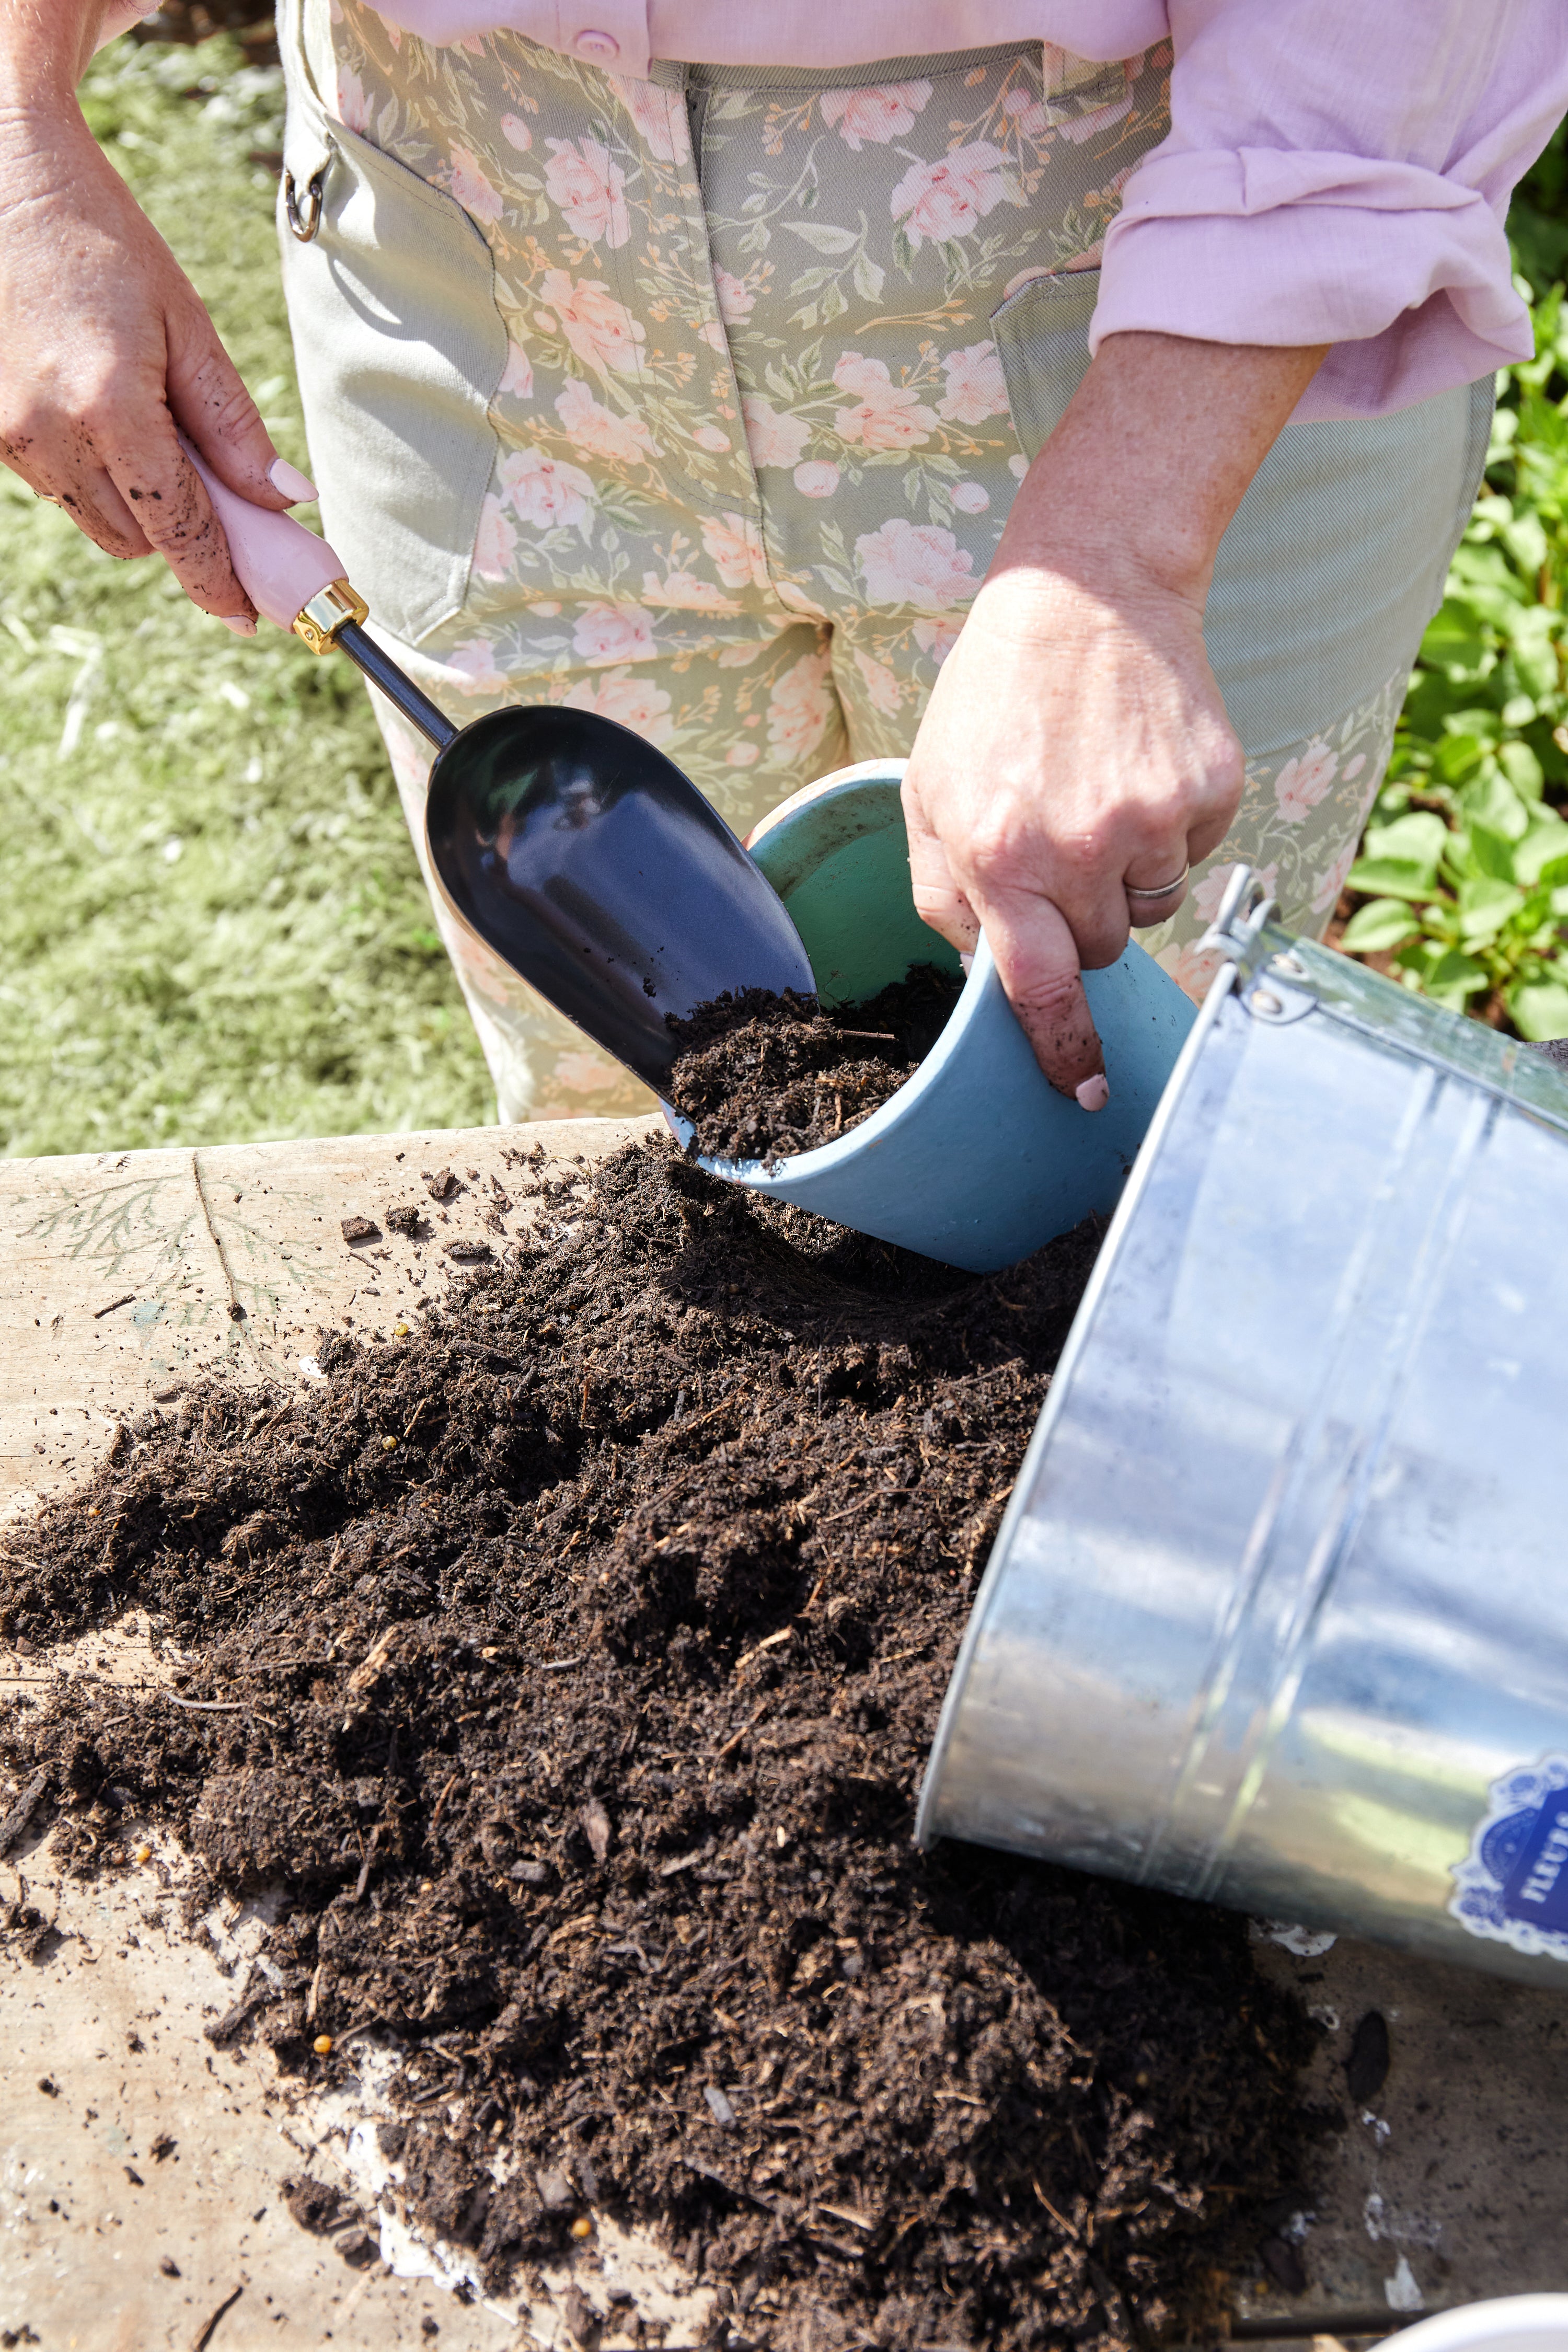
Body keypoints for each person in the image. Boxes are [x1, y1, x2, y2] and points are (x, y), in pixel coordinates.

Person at [2, 1, 1564, 1122]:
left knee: (1136, 1092)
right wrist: (21, 130)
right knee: (623, 1100)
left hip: (1170, 278)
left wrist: (1119, 560)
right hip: (474, 250)